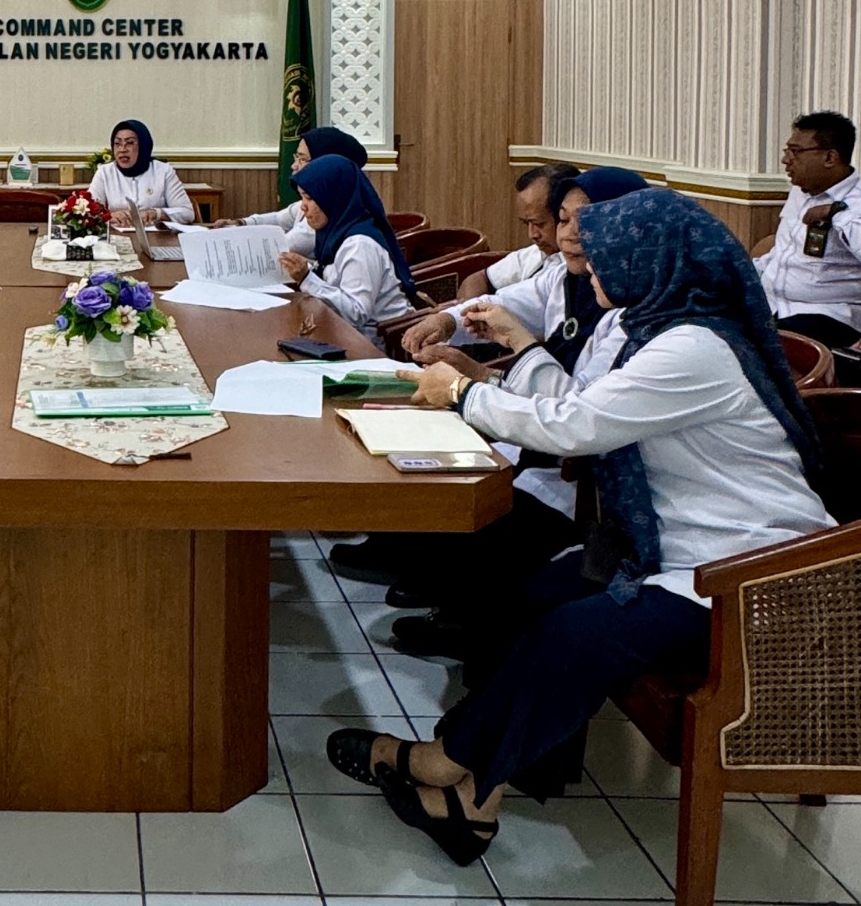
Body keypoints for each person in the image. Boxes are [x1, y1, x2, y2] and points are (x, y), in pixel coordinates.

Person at [326, 188, 832, 868]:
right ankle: (480, 783)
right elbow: (582, 406)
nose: (589, 264)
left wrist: (465, 394)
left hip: (752, 575)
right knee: (535, 599)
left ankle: (448, 767)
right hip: (674, 549)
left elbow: (576, 426)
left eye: (605, 254)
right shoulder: (655, 326)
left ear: (650, 260)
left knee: (574, 631)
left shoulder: (695, 347)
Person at [331, 166, 649, 591]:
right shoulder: (563, 277)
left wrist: (479, 378)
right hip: (534, 432)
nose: (567, 233)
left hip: (577, 476)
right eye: (565, 219)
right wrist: (447, 321)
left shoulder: (632, 314)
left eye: (584, 222)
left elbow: (576, 412)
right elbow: (501, 303)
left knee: (477, 546)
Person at [281, 154, 420, 337]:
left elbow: (356, 313)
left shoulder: (360, 244)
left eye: (309, 199)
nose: (303, 208)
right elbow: (334, 275)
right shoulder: (335, 231)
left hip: (379, 343)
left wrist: (307, 279)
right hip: (347, 333)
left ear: (332, 199)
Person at [756, 111, 861, 348]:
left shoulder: (856, 202)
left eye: (796, 151)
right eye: (787, 150)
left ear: (830, 157)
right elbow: (784, 252)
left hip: (826, 315)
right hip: (773, 305)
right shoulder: (800, 192)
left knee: (768, 348)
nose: (786, 160)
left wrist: (837, 214)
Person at [212, 126, 368, 247]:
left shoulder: (326, 211)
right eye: (296, 157)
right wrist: (240, 223)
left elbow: (283, 247)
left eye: (302, 159)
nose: (294, 166)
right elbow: (279, 219)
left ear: (326, 165)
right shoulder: (310, 202)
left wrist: (229, 241)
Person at [456, 162, 581, 298]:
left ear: (563, 217)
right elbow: (476, 280)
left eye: (539, 224)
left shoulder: (578, 269)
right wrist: (463, 309)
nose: (532, 235)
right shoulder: (535, 254)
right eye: (526, 223)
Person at [87, 119, 195, 225]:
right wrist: (110, 216)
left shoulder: (163, 171)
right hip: (117, 238)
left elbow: (187, 213)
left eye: (129, 143)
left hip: (157, 238)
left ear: (143, 145)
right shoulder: (105, 172)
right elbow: (88, 213)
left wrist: (157, 213)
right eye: (117, 144)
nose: (122, 149)